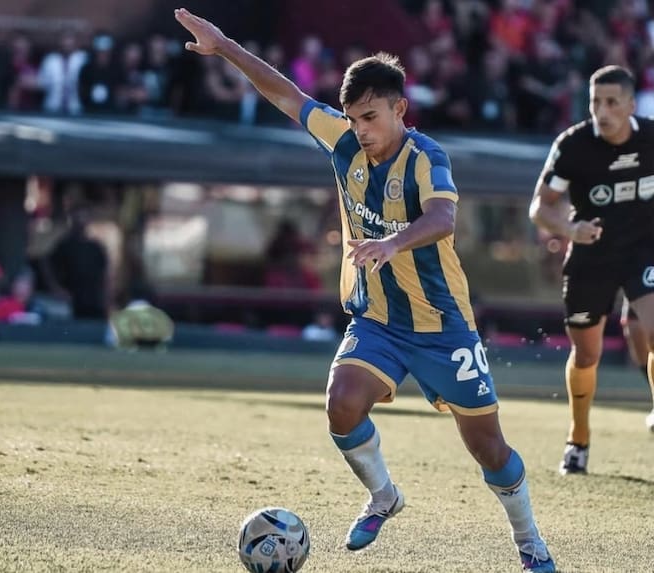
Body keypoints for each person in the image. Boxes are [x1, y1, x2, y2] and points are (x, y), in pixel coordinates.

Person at [175, 9, 555, 572]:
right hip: (376, 320)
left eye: (371, 117)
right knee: (342, 405)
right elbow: (285, 95)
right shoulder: (344, 143)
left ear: (400, 109)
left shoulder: (428, 158)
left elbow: (443, 219)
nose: (361, 130)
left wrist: (391, 244)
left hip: (442, 326)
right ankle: (384, 496)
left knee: (489, 451)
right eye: (353, 118)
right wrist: (226, 45)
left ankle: (529, 542)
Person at [529, 65, 654, 476]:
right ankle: (578, 439)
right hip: (591, 255)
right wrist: (569, 228)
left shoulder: (652, 138)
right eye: (595, 101)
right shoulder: (573, 145)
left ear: (631, 105)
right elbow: (540, 207)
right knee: (587, 354)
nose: (602, 110)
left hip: (644, 250)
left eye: (612, 102)